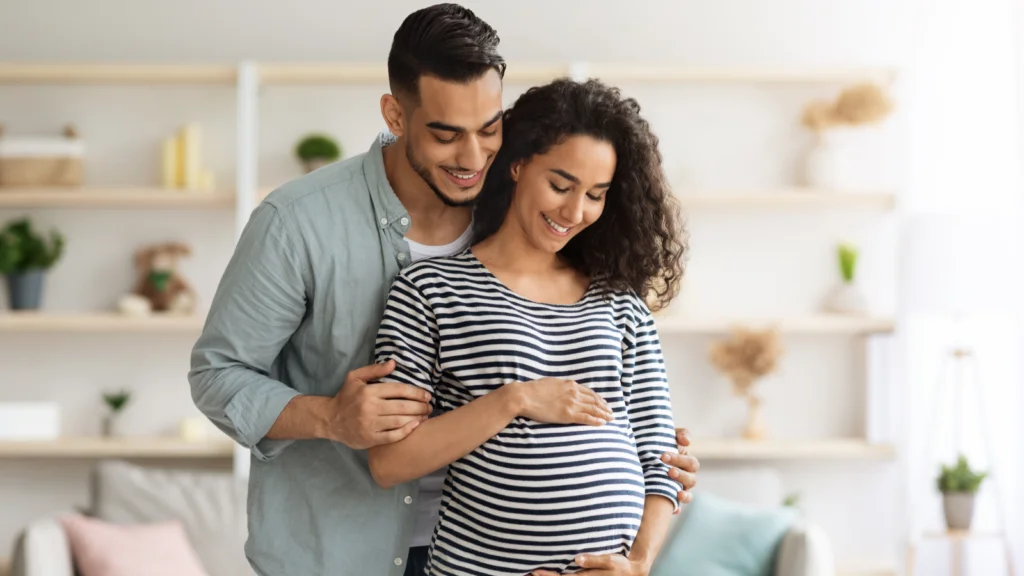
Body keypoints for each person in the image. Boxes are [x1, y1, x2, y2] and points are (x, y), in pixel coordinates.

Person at [188, 4, 699, 575]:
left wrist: (640, 483)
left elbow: (644, 431)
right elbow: (217, 374)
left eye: (489, 130)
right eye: (446, 134)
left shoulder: (523, 214)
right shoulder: (300, 223)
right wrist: (329, 416)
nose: (473, 156)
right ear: (396, 114)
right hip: (344, 549)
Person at [369, 77, 685, 576]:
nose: (574, 211)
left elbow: (659, 457)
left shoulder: (619, 304)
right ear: (517, 164)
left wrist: (638, 563)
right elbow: (390, 462)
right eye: (560, 185)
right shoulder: (431, 289)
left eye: (596, 195)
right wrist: (513, 399)